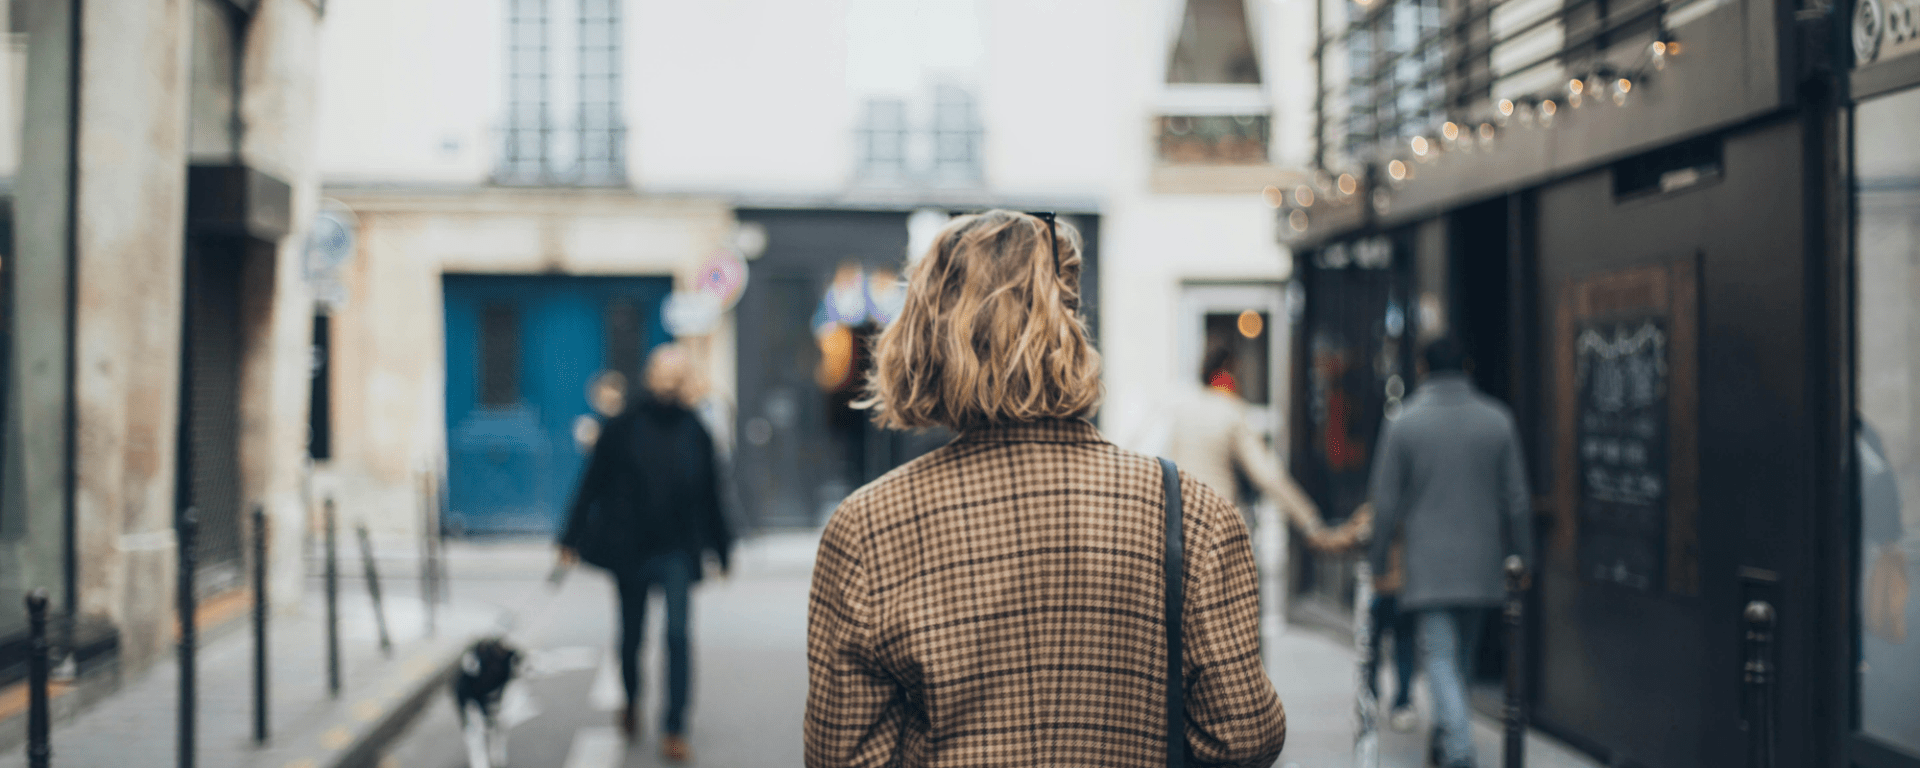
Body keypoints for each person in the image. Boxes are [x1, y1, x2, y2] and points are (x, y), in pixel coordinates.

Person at [804, 210, 1287, 768]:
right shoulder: (1190, 511)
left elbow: (842, 754)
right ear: (1072, 326)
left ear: (925, 339)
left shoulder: (867, 527)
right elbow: (1244, 735)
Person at [559, 343, 735, 762]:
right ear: (650, 376)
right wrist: (569, 537)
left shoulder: (697, 429)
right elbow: (592, 481)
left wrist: (723, 548)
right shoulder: (622, 426)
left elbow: (713, 493)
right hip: (630, 547)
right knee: (631, 636)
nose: (670, 383)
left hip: (677, 548)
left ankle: (675, 726)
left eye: (678, 376)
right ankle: (632, 700)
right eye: (663, 374)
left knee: (677, 636)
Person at [1365, 338, 1532, 768]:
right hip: (1482, 563)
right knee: (1461, 659)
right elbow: (1517, 498)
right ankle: (1446, 744)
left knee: (1438, 657)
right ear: (1467, 366)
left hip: (1429, 563)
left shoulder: (1404, 423)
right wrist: (1524, 557)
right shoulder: (1497, 420)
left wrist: (1378, 558)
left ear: (1422, 368)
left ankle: (1458, 751)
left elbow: (1384, 503)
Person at [1164, 345, 1332, 545]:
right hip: (1215, 528)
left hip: (1179, 526)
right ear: (1228, 371)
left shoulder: (1184, 410)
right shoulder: (1231, 412)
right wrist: (1310, 523)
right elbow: (1268, 475)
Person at [1320, 501, 1419, 731]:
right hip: (1404, 590)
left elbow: (1350, 537)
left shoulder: (1373, 511)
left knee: (1372, 649)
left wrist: (1321, 537)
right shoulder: (1411, 509)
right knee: (1401, 650)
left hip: (1381, 590)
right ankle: (1400, 704)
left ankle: (1374, 699)